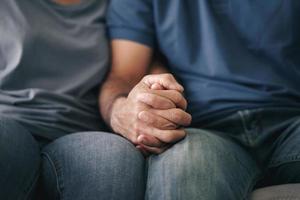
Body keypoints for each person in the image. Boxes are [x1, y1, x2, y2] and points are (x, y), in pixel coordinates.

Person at [100, 0, 300, 199]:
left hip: (292, 121)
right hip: (203, 128)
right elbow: (124, 75)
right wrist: (120, 111)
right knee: (185, 162)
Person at [2, 0, 185, 199]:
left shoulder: (121, 6)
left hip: (86, 130)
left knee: (112, 156)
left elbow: (135, 69)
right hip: (10, 119)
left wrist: (154, 95)